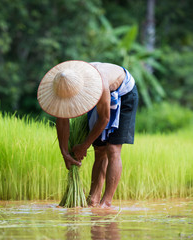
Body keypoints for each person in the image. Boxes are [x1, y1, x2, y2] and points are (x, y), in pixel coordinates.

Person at [37, 60, 138, 208]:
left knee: (112, 149)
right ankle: (93, 200)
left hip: (124, 92)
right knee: (99, 149)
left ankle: (106, 202)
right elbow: (62, 120)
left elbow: (104, 118)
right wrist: (65, 152)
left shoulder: (100, 82)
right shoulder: (62, 85)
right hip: (97, 95)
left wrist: (84, 145)